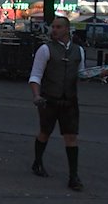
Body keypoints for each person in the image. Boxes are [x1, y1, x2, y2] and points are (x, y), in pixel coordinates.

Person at [29, 16, 86, 192]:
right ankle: (37, 162)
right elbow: (36, 75)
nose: (54, 30)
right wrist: (37, 95)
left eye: (58, 27)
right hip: (49, 98)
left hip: (69, 100)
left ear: (67, 29)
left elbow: (81, 74)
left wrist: (98, 75)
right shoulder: (45, 50)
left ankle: (73, 175)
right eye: (53, 26)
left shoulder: (79, 51)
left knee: (71, 136)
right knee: (45, 132)